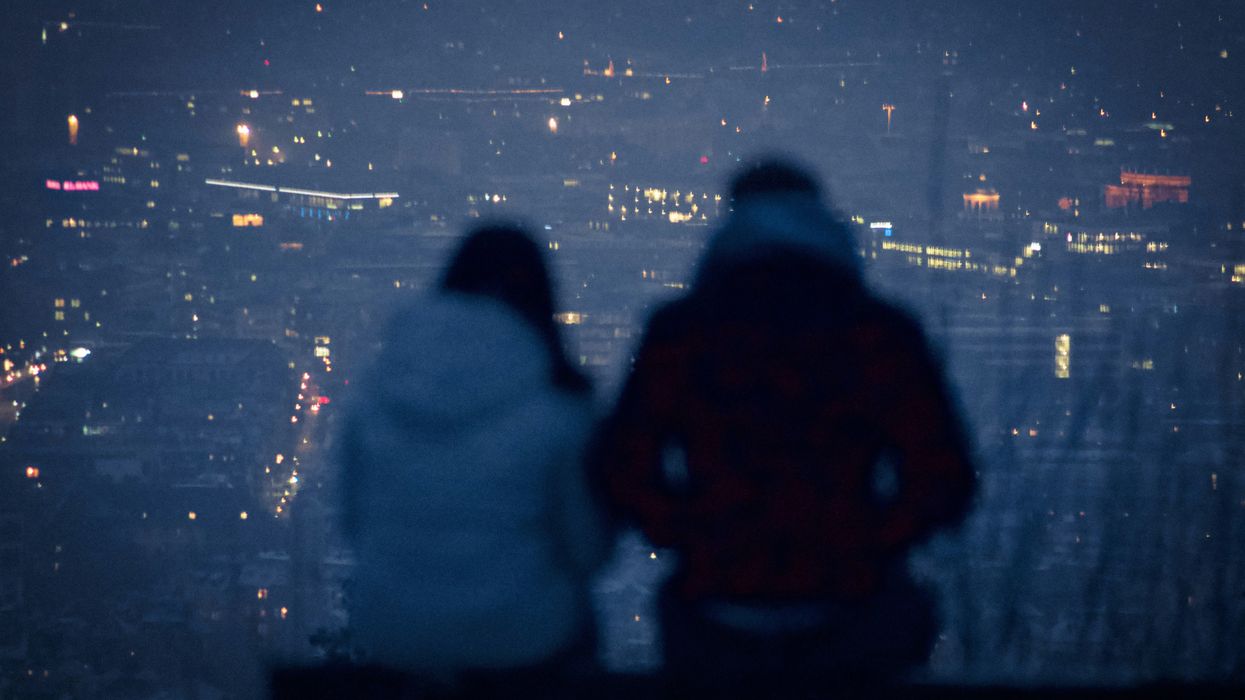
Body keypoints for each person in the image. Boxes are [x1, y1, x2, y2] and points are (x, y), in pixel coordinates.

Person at [592, 161, 976, 693]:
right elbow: (945, 477)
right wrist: (867, 542)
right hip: (852, 604)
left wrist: (692, 535)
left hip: (717, 601)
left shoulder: (681, 331)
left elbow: (622, 465)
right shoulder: (880, 332)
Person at [338, 225, 608, 691]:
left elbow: (351, 524)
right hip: (524, 637)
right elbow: (587, 550)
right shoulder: (558, 409)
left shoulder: (374, 396)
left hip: (393, 632)